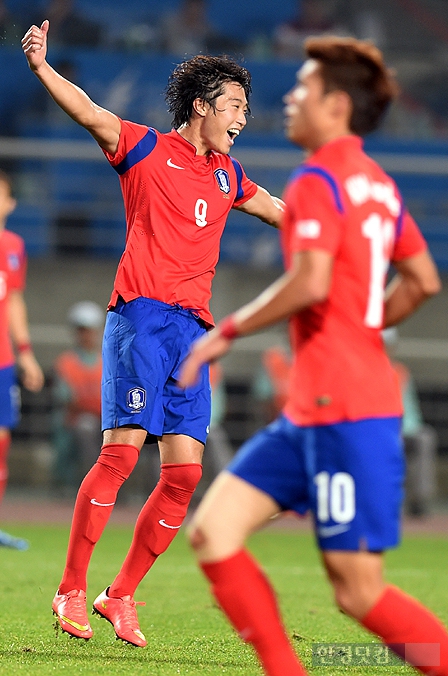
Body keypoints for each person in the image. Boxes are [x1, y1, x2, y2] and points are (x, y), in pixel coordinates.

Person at [179, 36, 448, 676]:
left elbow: (311, 281)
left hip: (347, 415)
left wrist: (227, 331)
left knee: (357, 592)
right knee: (213, 534)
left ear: (334, 105)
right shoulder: (378, 185)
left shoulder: (318, 178)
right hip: (312, 411)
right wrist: (365, 324)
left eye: (301, 89)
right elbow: (423, 281)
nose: (288, 101)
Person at [22, 20, 284, 646]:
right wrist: (40, 67)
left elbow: (285, 213)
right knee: (120, 452)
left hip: (193, 332)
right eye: (235, 107)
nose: (242, 118)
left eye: (245, 108)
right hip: (140, 317)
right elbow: (90, 112)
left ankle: (121, 596)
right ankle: (71, 591)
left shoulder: (229, 174)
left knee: (186, 474)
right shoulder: (144, 148)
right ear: (202, 106)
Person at [0, 169, 44, 549]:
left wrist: (26, 353)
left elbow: (13, 299)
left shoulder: (13, 245)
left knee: (1, 439)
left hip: (2, 359)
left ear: (11, 203)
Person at [383, 327, 438, 517]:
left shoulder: (400, 372)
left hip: (402, 429)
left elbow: (411, 413)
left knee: (425, 438)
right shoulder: (361, 371)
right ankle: (387, 500)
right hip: (378, 429)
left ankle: (419, 501)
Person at [51, 301, 103, 492]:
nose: (86, 335)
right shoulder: (66, 362)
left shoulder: (106, 361)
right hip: (77, 421)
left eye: (89, 330)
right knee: (85, 427)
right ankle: (90, 486)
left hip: (104, 420)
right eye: (82, 330)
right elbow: (68, 400)